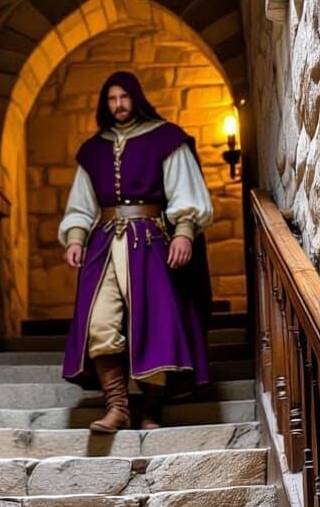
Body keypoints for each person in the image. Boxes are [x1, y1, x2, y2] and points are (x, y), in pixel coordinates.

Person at [59, 70, 214, 432]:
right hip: (103, 246)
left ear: (136, 98)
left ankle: (151, 411)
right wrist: (76, 237)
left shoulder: (166, 138)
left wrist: (185, 232)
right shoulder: (93, 150)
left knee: (155, 327)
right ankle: (118, 407)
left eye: (124, 97)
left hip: (150, 242)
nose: (118, 105)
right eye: (111, 99)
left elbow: (185, 191)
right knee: (98, 325)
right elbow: (81, 203)